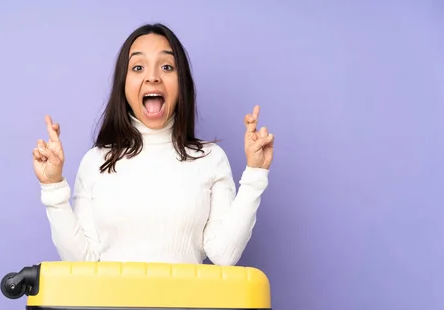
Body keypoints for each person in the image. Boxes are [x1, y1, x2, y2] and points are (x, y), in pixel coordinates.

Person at [31, 23, 275, 266]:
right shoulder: (96, 161)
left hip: (185, 304)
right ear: (123, 85)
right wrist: (52, 187)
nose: (153, 77)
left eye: (167, 67)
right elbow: (82, 261)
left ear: (182, 85)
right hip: (110, 305)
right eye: (138, 67)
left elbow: (224, 255)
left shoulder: (211, 158)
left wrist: (255, 174)